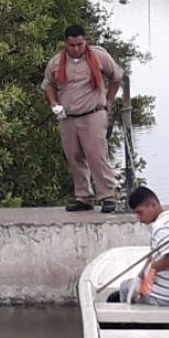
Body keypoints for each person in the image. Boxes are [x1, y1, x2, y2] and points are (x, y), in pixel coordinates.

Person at [42, 25, 125, 213]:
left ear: (85, 41)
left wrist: (109, 101)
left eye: (80, 44)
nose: (76, 48)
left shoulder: (98, 57)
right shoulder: (56, 62)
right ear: (66, 44)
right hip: (67, 117)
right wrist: (54, 104)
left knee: (97, 155)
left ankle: (108, 196)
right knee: (74, 157)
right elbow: (48, 84)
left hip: (93, 113)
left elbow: (116, 76)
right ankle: (84, 197)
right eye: (72, 45)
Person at [109, 186, 169, 305]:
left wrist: (152, 268)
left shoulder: (160, 228)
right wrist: (140, 277)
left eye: (140, 213)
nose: (139, 219)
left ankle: (129, 320)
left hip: (167, 296)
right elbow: (153, 255)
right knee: (134, 284)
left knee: (124, 288)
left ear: (153, 205)